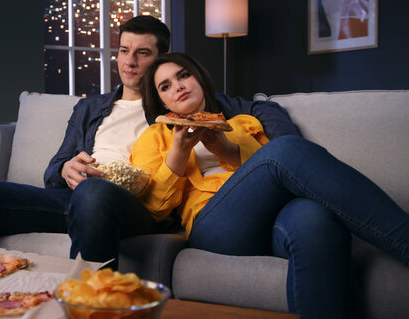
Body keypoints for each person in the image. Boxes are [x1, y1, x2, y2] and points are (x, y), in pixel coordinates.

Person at [0, 15, 299, 268]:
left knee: (95, 195)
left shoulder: (180, 104)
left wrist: (289, 155)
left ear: (161, 58)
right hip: (78, 198)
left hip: (137, 206)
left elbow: (263, 109)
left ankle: (94, 300)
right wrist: (66, 170)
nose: (129, 61)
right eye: (124, 50)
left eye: (143, 53)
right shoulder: (91, 108)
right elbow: (53, 169)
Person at [132, 52, 409, 319]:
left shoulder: (244, 123)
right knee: (285, 149)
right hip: (216, 227)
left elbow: (282, 176)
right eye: (165, 86)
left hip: (276, 219)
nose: (178, 86)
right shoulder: (155, 137)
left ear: (200, 79)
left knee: (316, 219)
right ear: (162, 102)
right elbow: (154, 209)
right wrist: (179, 151)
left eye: (184, 75)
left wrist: (227, 150)